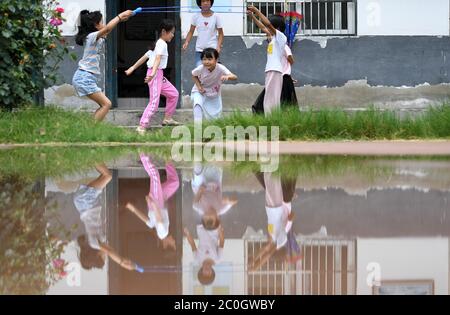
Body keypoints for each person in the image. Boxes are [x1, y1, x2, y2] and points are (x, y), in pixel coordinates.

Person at [74, 163, 139, 271]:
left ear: (98, 255)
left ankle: (91, 151)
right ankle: (92, 154)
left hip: (86, 203)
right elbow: (108, 250)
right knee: (105, 175)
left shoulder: (94, 244)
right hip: (84, 204)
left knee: (107, 176)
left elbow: (109, 251)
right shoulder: (96, 241)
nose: (106, 255)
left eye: (104, 257)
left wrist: (122, 262)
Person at [72, 9, 133, 121]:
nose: (103, 25)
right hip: (84, 78)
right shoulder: (91, 37)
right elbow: (108, 28)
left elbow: (107, 30)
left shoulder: (97, 37)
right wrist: (119, 16)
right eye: (101, 22)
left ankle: (89, 128)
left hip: (85, 77)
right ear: (95, 25)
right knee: (107, 104)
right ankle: (90, 130)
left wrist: (120, 20)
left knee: (104, 105)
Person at [125, 19, 180, 135]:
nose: (173, 35)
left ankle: (167, 118)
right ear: (164, 31)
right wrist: (153, 74)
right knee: (154, 102)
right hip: (155, 73)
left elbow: (145, 57)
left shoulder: (157, 44)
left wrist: (132, 68)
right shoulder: (162, 44)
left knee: (173, 94)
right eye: (172, 32)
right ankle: (142, 126)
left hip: (158, 74)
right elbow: (158, 59)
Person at [125, 154, 180, 251]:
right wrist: (133, 209)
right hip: (161, 200)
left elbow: (159, 219)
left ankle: (143, 154)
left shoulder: (163, 233)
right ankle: (167, 158)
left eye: (173, 244)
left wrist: (154, 204)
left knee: (154, 175)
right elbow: (146, 220)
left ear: (166, 244)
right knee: (174, 183)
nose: (174, 241)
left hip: (157, 203)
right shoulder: (157, 230)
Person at [247, 6, 287, 116]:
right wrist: (252, 16)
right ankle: (271, 120)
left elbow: (267, 24)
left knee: (272, 99)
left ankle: (272, 121)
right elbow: (263, 26)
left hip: (275, 70)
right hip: (271, 71)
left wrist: (256, 11)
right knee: (269, 97)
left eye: (271, 27)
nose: (267, 29)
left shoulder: (281, 37)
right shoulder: (273, 39)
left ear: (277, 28)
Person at [191, 48, 237, 124]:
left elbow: (234, 77)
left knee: (215, 116)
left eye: (209, 59)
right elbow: (193, 75)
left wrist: (227, 77)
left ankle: (214, 129)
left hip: (213, 93)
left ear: (216, 59)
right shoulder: (201, 68)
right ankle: (197, 129)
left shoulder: (220, 67)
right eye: (204, 59)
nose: (207, 62)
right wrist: (199, 86)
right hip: (200, 91)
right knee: (197, 104)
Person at [183, 0, 224, 67]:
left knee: (213, 71)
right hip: (200, 50)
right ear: (200, 3)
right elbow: (191, 31)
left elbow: (221, 33)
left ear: (211, 3)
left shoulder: (216, 16)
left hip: (212, 50)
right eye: (203, 1)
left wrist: (218, 46)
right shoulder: (195, 16)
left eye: (207, 1)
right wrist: (186, 42)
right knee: (199, 69)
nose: (205, 3)